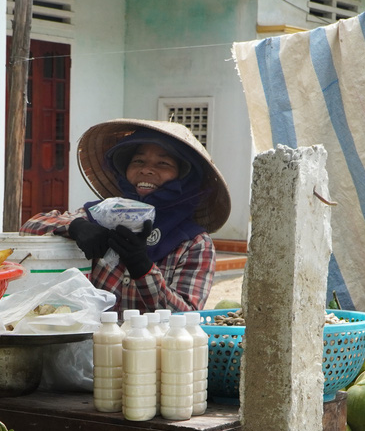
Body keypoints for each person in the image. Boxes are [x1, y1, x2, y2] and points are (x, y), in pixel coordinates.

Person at [21, 118, 231, 312]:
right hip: (90, 343)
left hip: (152, 350)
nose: (147, 170)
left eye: (163, 163)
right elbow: (30, 228)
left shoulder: (194, 243)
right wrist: (76, 226)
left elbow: (186, 315)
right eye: (138, 162)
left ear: (184, 177)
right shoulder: (101, 215)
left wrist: (143, 268)